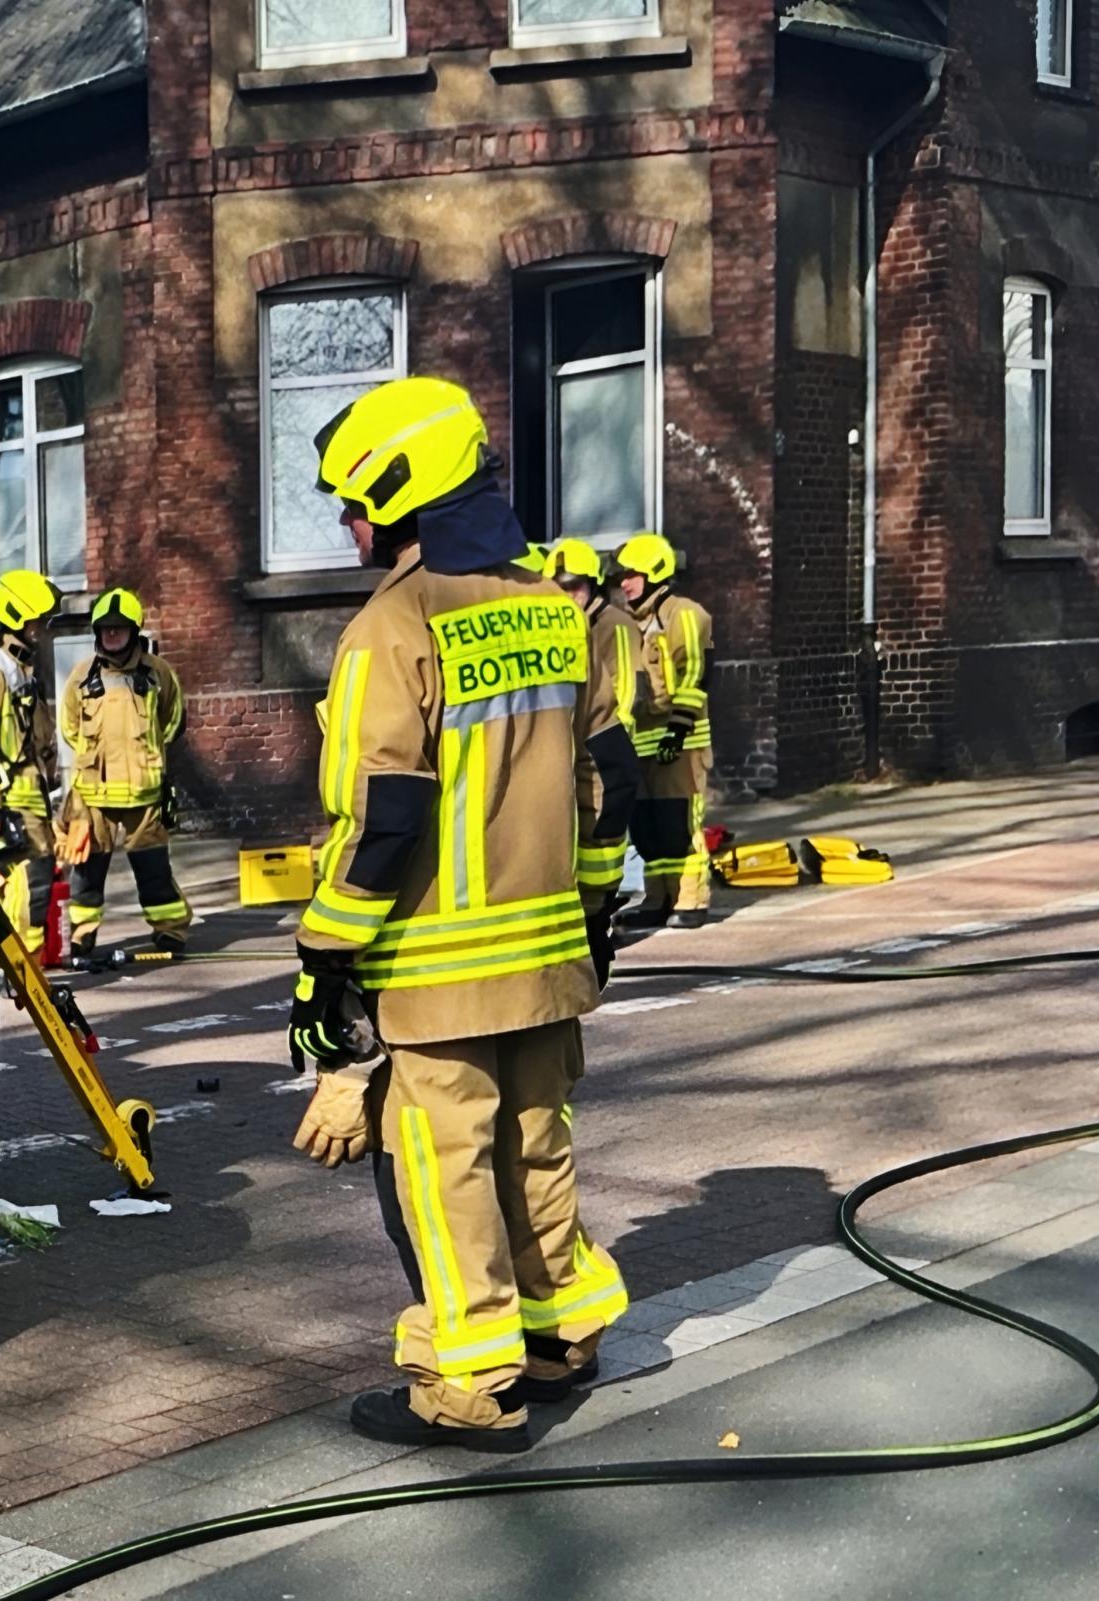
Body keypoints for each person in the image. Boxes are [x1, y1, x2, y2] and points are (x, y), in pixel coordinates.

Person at [286, 376, 640, 1452]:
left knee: (446, 1175)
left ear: (402, 499)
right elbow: (612, 777)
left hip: (434, 970)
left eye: (355, 503)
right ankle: (563, 1332)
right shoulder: (556, 606)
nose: (348, 525)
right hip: (548, 956)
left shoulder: (392, 628)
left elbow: (382, 819)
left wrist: (324, 964)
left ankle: (472, 1383)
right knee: (537, 1143)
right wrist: (592, 913)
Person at [59, 589, 189, 966]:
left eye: (119, 629)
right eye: (105, 629)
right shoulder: (81, 676)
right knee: (86, 873)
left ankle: (170, 931)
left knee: (153, 872)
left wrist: (146, 757)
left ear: (134, 631)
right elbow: (70, 727)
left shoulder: (157, 673)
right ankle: (82, 937)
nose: (112, 635)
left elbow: (174, 720)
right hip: (92, 797)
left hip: (144, 796)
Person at [545, 539, 653, 920]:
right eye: (559, 587)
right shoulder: (560, 626)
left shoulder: (614, 625)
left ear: (593, 585)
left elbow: (624, 691)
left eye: (575, 586)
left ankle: (602, 906)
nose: (567, 596)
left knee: (603, 837)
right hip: (572, 751)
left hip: (604, 751)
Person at [614, 532, 713, 930]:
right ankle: (658, 897)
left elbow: (693, 676)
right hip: (642, 741)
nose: (624, 582)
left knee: (679, 821)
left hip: (681, 741)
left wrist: (677, 730)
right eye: (623, 575)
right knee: (647, 825)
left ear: (655, 573)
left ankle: (691, 898)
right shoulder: (629, 624)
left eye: (632, 574)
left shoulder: (684, 615)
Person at [0, 569, 63, 956]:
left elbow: (38, 731)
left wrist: (51, 776)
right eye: (35, 620)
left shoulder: (21, 669)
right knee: (28, 879)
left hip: (32, 795)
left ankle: (26, 957)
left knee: (36, 874)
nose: (40, 628)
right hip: (10, 798)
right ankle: (20, 960)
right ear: (15, 618)